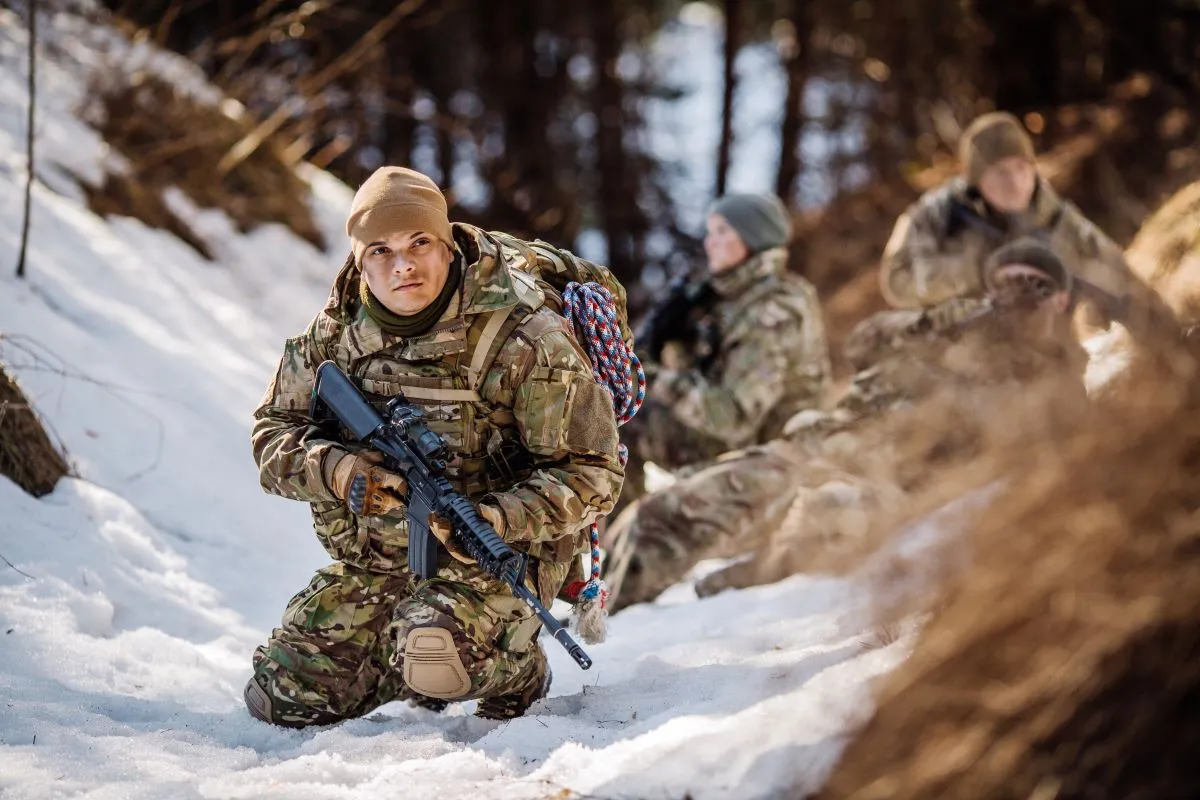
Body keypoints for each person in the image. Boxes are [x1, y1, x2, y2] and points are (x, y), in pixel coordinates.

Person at [244, 166, 624, 727]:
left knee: (435, 654)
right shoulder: (334, 334)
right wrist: (338, 470)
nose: (402, 265)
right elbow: (272, 433)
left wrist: (496, 518)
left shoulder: (523, 338)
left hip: (499, 558)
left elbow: (593, 473)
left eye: (419, 242)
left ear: (447, 245)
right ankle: (405, 660)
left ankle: (517, 669)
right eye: (381, 250)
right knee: (281, 695)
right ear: (359, 261)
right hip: (378, 561)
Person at [605, 239, 1090, 609]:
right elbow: (863, 343)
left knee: (828, 516)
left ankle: (744, 577)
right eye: (1008, 282)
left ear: (1061, 301)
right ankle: (600, 624)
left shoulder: (1059, 379)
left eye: (1035, 286)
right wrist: (942, 322)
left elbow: (1046, 453)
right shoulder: (950, 332)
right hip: (818, 449)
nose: (1018, 295)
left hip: (886, 483)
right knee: (660, 515)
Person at [615, 191, 831, 518]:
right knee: (620, 412)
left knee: (626, 422)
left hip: (771, 456)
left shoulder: (772, 312)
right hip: (746, 442)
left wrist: (656, 379)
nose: (709, 243)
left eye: (721, 231)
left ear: (751, 237)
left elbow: (733, 417)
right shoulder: (733, 298)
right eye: (710, 231)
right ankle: (622, 531)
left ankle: (625, 536)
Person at [880, 111, 1175, 341]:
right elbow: (895, 282)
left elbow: (1117, 272)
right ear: (977, 181)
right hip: (961, 352)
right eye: (1000, 172)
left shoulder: (1053, 214)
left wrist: (1167, 328)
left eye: (1022, 168)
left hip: (1045, 350)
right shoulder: (936, 216)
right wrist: (976, 269)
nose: (1014, 182)